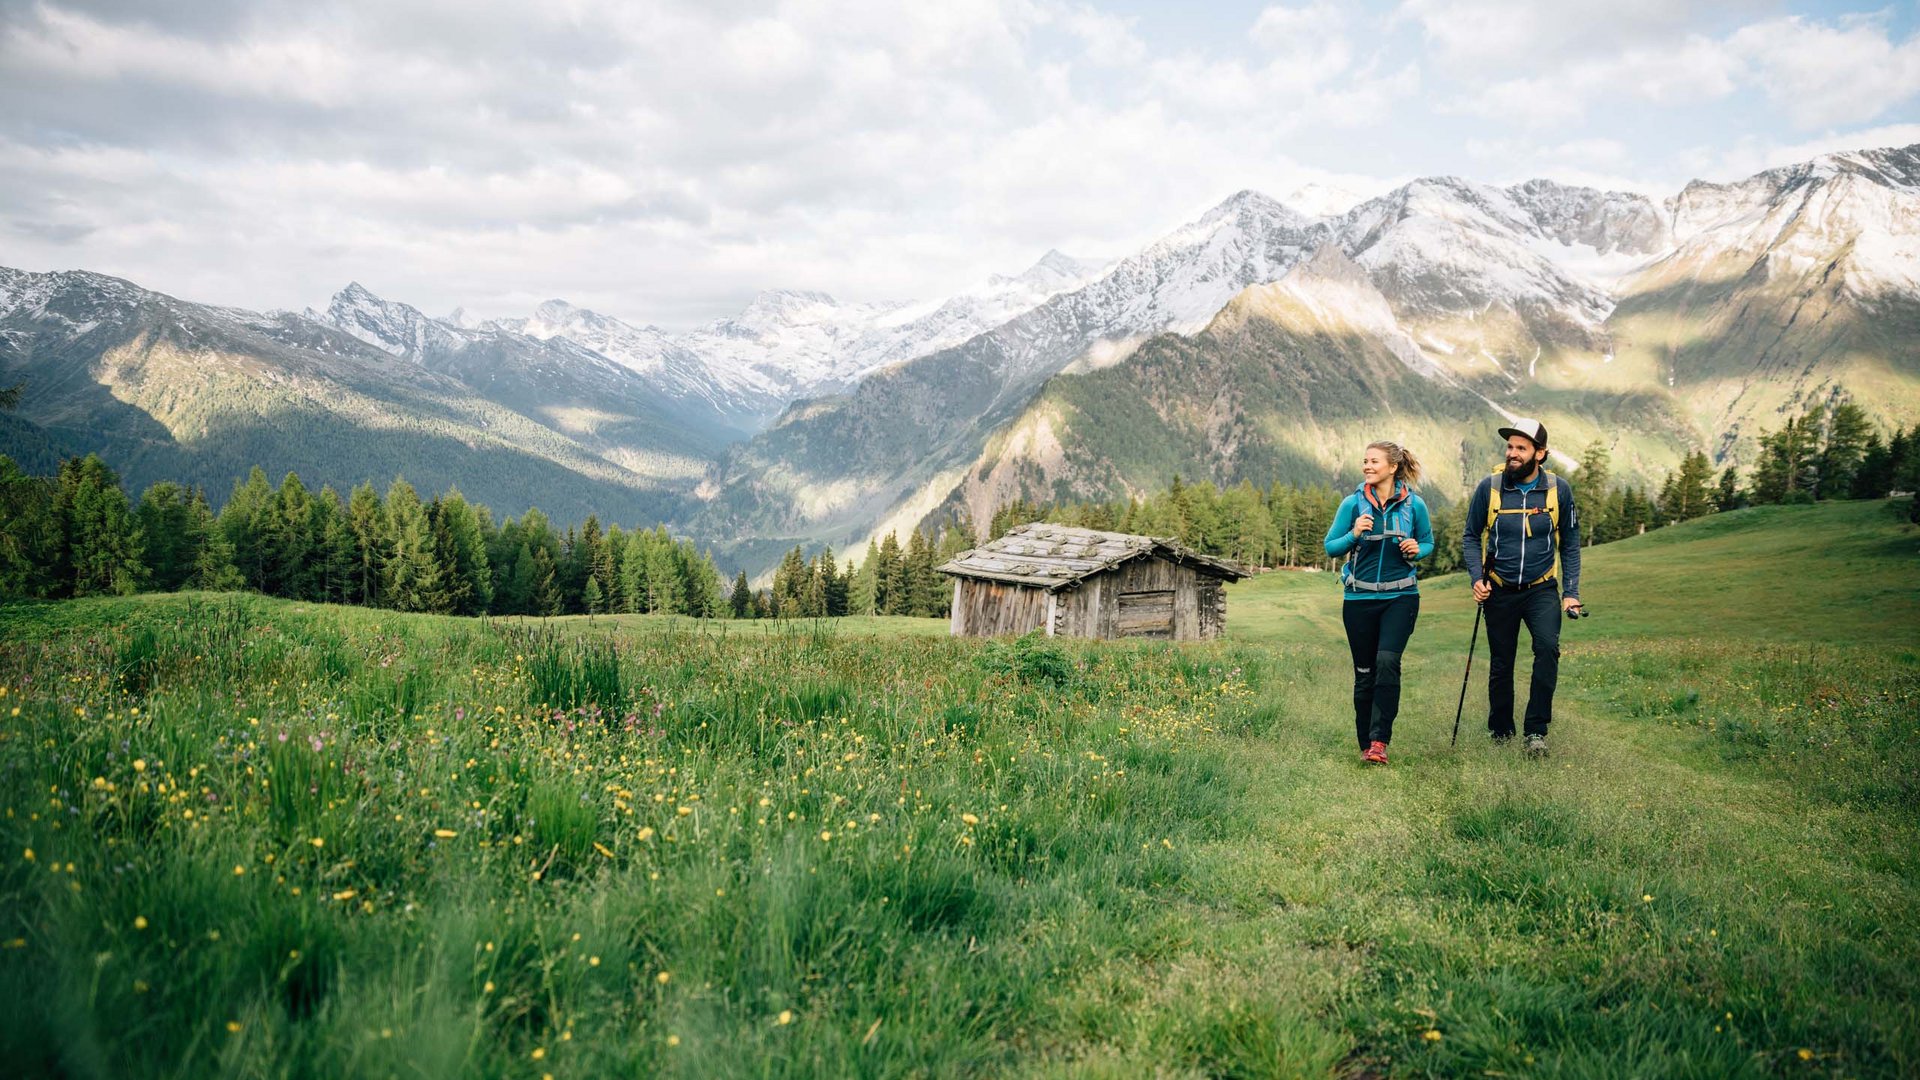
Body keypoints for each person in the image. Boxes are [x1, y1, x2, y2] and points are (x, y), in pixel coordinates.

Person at [1463, 418, 1584, 757]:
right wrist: (1477, 578)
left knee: (1547, 649)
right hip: (1498, 588)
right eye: (1510, 446)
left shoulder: (1559, 490)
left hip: (1542, 588)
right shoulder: (1490, 488)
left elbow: (1571, 543)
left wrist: (1571, 592)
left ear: (1540, 454)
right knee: (1502, 662)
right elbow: (1471, 536)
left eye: (1521, 448)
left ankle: (1536, 732)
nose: (1512, 454)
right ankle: (1501, 731)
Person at [1324, 440, 1435, 765]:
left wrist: (1418, 548)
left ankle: (1379, 743)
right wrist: (1354, 534)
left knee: (1387, 662)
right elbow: (1331, 547)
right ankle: (1365, 742)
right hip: (1358, 600)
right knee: (1365, 673)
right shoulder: (1352, 505)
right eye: (1365, 461)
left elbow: (1428, 542)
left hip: (1401, 597)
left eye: (1374, 461)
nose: (1367, 467)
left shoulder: (1415, 505)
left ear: (1393, 466)